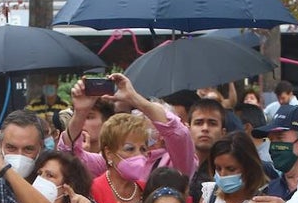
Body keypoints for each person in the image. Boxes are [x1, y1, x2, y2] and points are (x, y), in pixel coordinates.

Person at [60, 73, 196, 181]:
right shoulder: (116, 158)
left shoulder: (177, 161)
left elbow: (179, 134)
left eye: (150, 118)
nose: (141, 128)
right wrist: (81, 112)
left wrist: (135, 99)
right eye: (130, 148)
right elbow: (70, 155)